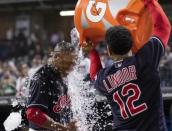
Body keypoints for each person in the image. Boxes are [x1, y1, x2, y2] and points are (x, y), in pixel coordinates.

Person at [85, 0, 171, 130]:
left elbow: (94, 75)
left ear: (109, 50)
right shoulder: (145, 58)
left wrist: (92, 52)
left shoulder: (104, 78)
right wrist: (148, 1)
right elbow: (164, 27)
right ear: (132, 43)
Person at [26, 41, 77, 131]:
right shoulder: (42, 77)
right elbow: (33, 113)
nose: (71, 67)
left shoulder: (63, 74)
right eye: (68, 63)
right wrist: (61, 128)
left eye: (73, 63)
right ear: (56, 57)